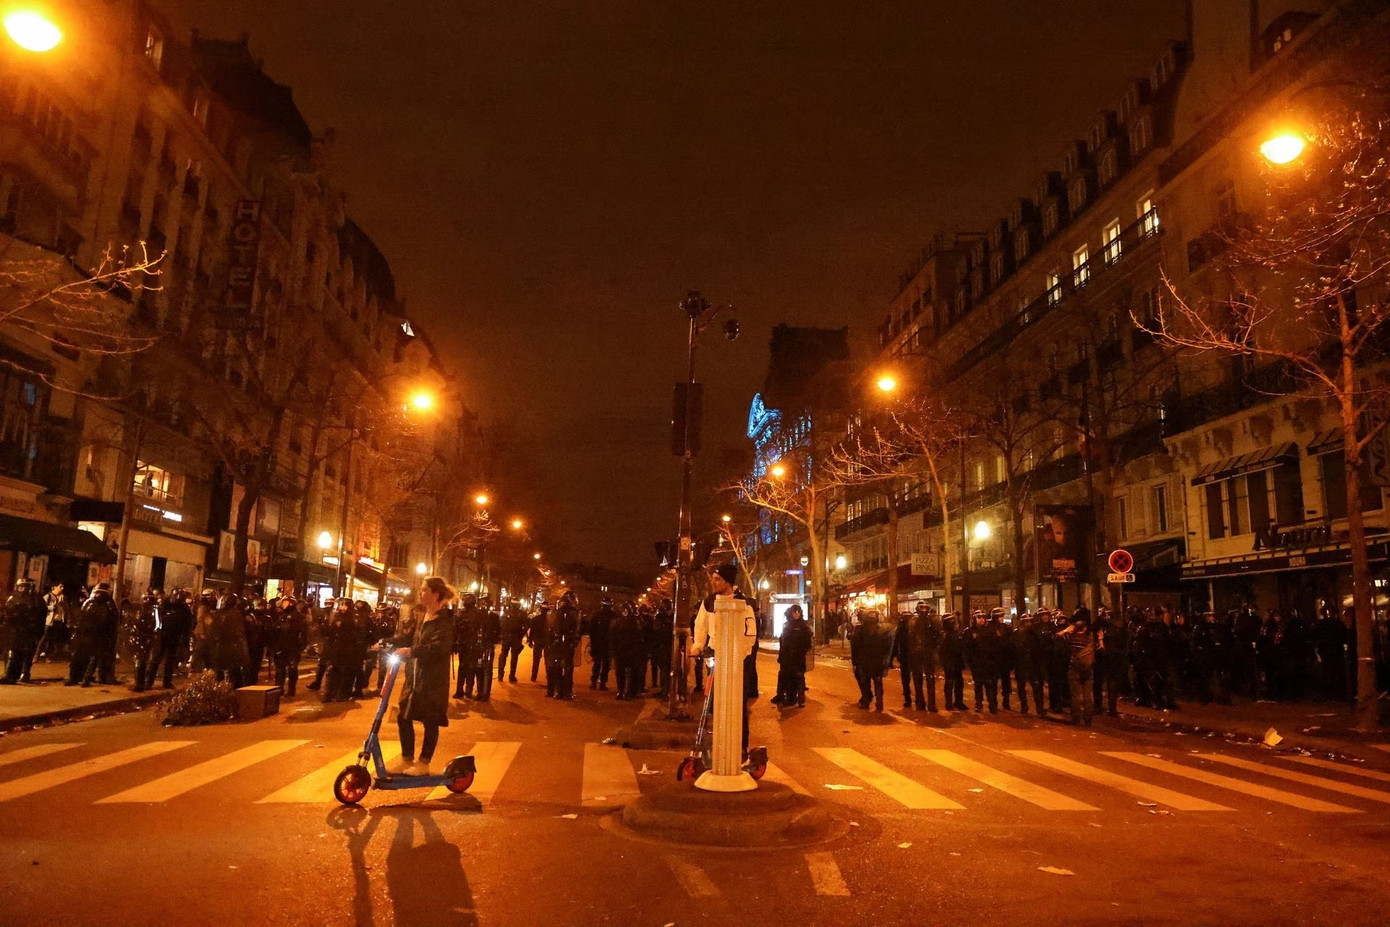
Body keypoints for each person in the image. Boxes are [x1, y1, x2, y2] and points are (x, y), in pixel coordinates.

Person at [689, 563, 758, 758]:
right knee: (714, 702)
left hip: (737, 660)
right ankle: (718, 741)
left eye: (717, 579)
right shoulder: (708, 602)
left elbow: (749, 632)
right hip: (716, 656)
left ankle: (741, 746)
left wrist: (741, 653)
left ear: (728, 581)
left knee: (737, 703)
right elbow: (700, 626)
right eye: (713, 579)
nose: (713, 582)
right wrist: (699, 645)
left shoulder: (743, 603)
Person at [390, 576, 456, 777]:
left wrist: (412, 651)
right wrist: (388, 642)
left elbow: (438, 648)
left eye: (425, 590)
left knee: (430, 720)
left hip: (432, 680)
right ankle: (406, 758)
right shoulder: (423, 617)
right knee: (403, 715)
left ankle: (424, 762)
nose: (421, 593)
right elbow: (410, 638)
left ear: (436, 594)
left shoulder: (444, 621)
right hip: (415, 676)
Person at [68, 583, 119, 687]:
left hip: (84, 634)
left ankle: (74, 677)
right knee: (94, 657)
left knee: (79, 656)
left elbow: (79, 618)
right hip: (99, 636)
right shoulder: (109, 604)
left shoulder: (88, 603)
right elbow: (113, 622)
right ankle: (87, 679)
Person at [1057, 606, 1097, 726]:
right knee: (1088, 693)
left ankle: (1076, 717)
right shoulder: (1091, 633)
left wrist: (1065, 631)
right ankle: (1088, 718)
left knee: (1075, 693)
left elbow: (1058, 637)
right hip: (1088, 665)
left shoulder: (1072, 633)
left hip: (1075, 664)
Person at [1, 579, 45, 684]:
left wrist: (38, 631)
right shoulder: (13, 598)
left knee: (27, 653)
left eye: (23, 587)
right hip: (14, 631)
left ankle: (24, 674)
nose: (20, 589)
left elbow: (41, 616)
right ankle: (9, 674)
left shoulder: (36, 599)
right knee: (12, 652)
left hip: (28, 631)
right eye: (19, 586)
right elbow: (6, 613)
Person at [850, 609, 892, 711]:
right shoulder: (862, 630)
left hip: (870, 661)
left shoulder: (863, 630)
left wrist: (855, 661)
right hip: (871, 661)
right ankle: (876, 702)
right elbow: (855, 646)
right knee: (874, 682)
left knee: (868, 682)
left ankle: (870, 701)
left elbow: (855, 647)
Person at [773, 603, 813, 707]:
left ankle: (799, 697)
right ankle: (783, 695)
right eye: (795, 612)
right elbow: (783, 640)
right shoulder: (787, 624)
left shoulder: (803, 626)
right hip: (787, 656)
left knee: (798, 676)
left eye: (798, 612)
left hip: (797, 656)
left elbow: (807, 642)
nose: (796, 614)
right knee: (785, 675)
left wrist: (800, 651)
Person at [588, 597, 615, 690]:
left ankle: (594, 682)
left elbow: (591, 630)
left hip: (599, 643)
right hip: (606, 644)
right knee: (604, 664)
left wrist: (592, 643)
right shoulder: (613, 615)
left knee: (598, 663)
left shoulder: (597, 615)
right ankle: (601, 682)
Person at [940, 613, 966, 710]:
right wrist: (947, 662)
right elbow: (944, 651)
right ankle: (949, 703)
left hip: (957, 662)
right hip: (950, 663)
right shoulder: (946, 636)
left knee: (959, 682)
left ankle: (958, 702)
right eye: (954, 623)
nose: (956, 625)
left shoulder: (956, 634)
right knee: (950, 682)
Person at [498, 598, 527, 683]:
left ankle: (500, 675)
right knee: (514, 657)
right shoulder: (522, 614)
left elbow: (501, 624)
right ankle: (512, 675)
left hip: (506, 637)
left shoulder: (506, 613)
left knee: (503, 655)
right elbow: (525, 627)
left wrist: (502, 635)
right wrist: (521, 635)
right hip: (516, 638)